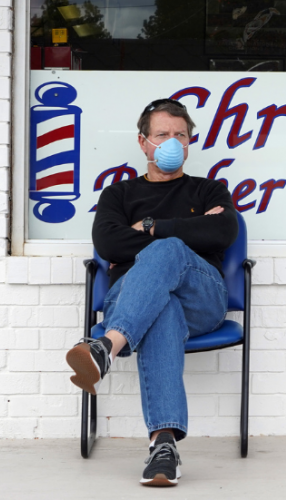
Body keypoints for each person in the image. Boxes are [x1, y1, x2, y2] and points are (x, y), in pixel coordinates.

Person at [65, 98, 238, 487]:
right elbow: (109, 244)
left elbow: (223, 232)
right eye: (163, 135)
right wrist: (185, 230)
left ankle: (106, 346)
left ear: (190, 142)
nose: (172, 142)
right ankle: (164, 446)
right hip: (136, 299)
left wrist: (151, 228)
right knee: (164, 307)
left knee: (169, 249)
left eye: (180, 135)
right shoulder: (118, 195)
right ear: (144, 143)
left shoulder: (209, 190)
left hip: (202, 298)